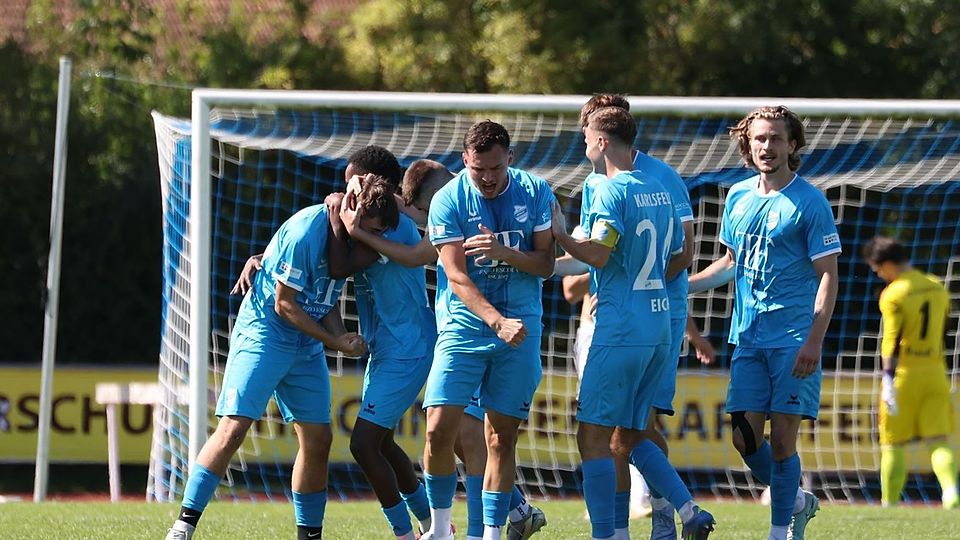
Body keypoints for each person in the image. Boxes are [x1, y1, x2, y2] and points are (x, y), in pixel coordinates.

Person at [164, 177, 399, 540]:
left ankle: (309, 536)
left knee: (319, 439)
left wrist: (336, 335)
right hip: (266, 332)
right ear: (352, 205)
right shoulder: (307, 230)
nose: (370, 238)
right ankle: (183, 526)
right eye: (367, 230)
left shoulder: (350, 236)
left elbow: (324, 297)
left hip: (304, 343)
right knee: (233, 428)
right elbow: (284, 303)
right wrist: (334, 343)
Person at [232, 146, 438, 540]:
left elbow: (340, 265)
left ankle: (407, 533)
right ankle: (430, 524)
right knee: (383, 441)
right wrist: (264, 257)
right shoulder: (373, 212)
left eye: (351, 182)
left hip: (407, 348)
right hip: (389, 347)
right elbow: (314, 255)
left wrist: (342, 219)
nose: (344, 192)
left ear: (370, 183)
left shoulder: (384, 224)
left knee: (364, 445)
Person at [345, 159, 548, 540]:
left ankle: (472, 529)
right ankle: (513, 510)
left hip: (477, 334)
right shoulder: (437, 203)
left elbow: (420, 254)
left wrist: (364, 233)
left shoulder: (460, 208)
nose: (421, 217)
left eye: (420, 210)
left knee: (474, 436)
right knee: (451, 434)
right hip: (457, 334)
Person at [557, 93, 717, 539]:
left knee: (599, 435)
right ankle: (682, 513)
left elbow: (606, 254)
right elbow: (673, 250)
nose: (583, 142)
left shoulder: (621, 185)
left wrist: (558, 240)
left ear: (604, 138)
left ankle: (621, 531)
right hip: (654, 322)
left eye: (586, 134)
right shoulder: (650, 188)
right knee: (626, 433)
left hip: (623, 323)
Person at [688, 105, 841, 540]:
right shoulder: (736, 197)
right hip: (748, 335)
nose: (766, 146)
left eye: (775, 138)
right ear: (747, 144)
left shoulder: (809, 202)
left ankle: (781, 530)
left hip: (794, 337)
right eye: (759, 139)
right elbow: (731, 263)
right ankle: (795, 499)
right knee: (742, 437)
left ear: (792, 145)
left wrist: (815, 338)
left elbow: (828, 273)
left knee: (781, 442)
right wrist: (685, 286)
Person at [415, 120, 555, 540]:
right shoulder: (447, 200)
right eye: (479, 170)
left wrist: (503, 252)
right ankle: (441, 532)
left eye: (495, 168)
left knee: (500, 438)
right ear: (465, 162)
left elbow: (546, 264)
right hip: (465, 326)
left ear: (509, 158)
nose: (488, 178)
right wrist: (495, 320)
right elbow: (456, 276)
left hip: (520, 328)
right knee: (439, 428)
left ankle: (491, 534)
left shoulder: (535, 192)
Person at [862, 235, 958, 509]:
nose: (878, 274)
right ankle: (951, 491)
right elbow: (944, 330)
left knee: (893, 443)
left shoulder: (894, 293)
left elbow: (890, 340)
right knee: (939, 440)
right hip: (936, 372)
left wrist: (888, 380)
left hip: (905, 376)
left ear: (888, 264)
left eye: (877, 268)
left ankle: (889, 502)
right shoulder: (936, 286)